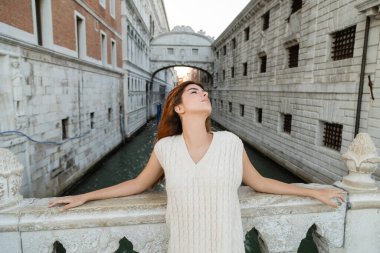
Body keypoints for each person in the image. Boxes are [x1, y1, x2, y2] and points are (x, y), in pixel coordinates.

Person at [48, 81, 345, 252]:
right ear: (179, 108)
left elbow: (261, 183)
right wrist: (85, 196)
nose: (204, 94)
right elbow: (137, 185)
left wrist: (314, 193)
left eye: (204, 92)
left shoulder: (230, 142)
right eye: (194, 92)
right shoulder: (165, 148)